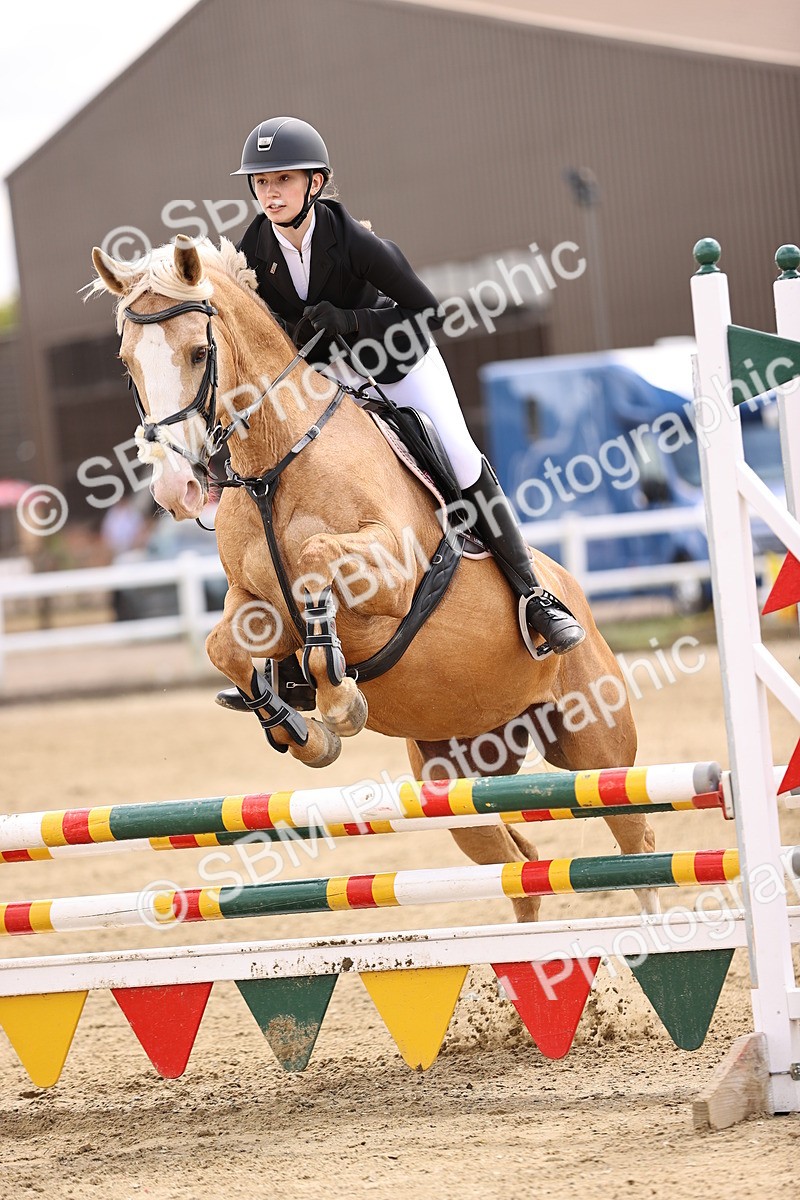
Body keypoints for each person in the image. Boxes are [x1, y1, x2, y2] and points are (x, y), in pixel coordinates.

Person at [229, 116, 585, 658]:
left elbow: (427, 311)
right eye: (261, 182)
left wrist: (351, 323)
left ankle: (534, 595)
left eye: (282, 179)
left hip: (398, 363)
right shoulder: (254, 249)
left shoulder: (355, 241)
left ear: (315, 184)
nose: (270, 192)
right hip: (326, 381)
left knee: (460, 456)